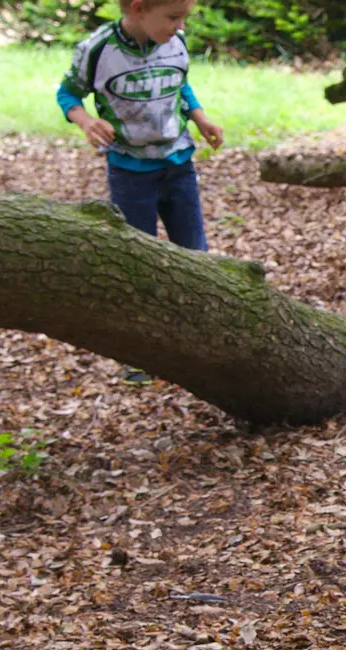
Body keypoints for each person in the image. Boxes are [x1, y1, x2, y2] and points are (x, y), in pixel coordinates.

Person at [57, 0, 222, 381]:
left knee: (195, 253)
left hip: (178, 164)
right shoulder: (97, 50)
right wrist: (85, 121)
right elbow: (67, 95)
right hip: (130, 172)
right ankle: (141, 352)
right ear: (138, 9)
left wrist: (200, 118)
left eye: (184, 18)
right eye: (173, 17)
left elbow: (180, 83)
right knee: (138, 260)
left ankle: (203, 339)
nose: (181, 27)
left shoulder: (173, 40)